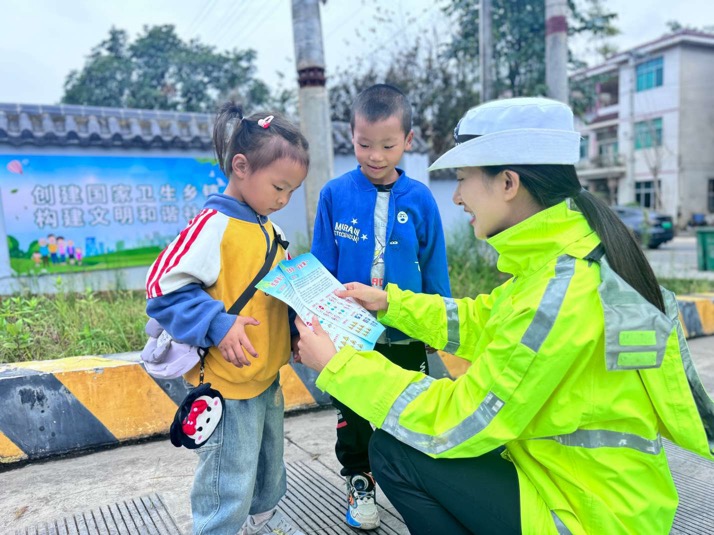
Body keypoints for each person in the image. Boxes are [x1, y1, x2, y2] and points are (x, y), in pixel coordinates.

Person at [296, 97, 714, 534]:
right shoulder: (573, 257)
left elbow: (460, 418)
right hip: (598, 493)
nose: (456, 197)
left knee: (397, 449)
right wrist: (392, 304)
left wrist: (336, 366)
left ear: (508, 183)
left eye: (462, 180)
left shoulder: (559, 293)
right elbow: (486, 321)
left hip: (581, 516)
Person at [146, 102, 309, 535]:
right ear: (241, 166)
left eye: (292, 191)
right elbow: (162, 286)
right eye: (279, 187)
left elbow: (277, 291)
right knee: (226, 474)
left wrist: (297, 328)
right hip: (226, 381)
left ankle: (265, 520)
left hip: (265, 374)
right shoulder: (212, 225)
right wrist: (218, 323)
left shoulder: (270, 230)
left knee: (268, 464)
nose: (284, 199)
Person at [310, 83, 451, 530]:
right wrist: (317, 324)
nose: (375, 155)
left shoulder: (422, 199)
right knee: (353, 414)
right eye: (363, 144)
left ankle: (419, 488)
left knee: (409, 409)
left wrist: (441, 331)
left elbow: (435, 269)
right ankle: (359, 481)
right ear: (350, 137)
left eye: (388, 145)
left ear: (407, 142)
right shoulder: (334, 194)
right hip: (350, 333)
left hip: (405, 332)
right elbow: (320, 266)